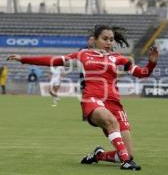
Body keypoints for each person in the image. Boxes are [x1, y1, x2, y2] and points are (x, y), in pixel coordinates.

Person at [7, 25, 159, 171]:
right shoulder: (83, 55)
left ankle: (99, 155)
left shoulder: (117, 58)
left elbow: (142, 73)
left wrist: (151, 63)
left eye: (111, 39)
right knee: (110, 122)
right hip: (92, 100)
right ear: (95, 40)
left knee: (127, 152)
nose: (109, 42)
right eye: (105, 38)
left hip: (114, 104)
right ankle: (127, 163)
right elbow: (53, 60)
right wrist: (23, 59)